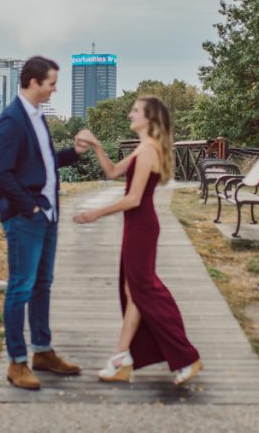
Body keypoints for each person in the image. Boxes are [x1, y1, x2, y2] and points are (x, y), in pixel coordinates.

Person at [73, 96, 202, 387]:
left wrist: (96, 213)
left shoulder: (148, 151)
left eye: (135, 111)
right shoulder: (144, 148)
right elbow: (112, 172)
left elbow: (132, 199)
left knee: (146, 291)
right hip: (137, 228)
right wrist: (96, 145)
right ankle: (121, 359)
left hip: (142, 227)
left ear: (149, 118)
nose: (130, 114)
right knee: (134, 292)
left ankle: (185, 355)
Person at [0, 55, 91, 391]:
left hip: (48, 214)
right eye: (51, 83)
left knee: (42, 284)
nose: (54, 89)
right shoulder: (12, 120)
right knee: (20, 287)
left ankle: (43, 352)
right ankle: (17, 363)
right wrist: (29, 209)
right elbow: (0, 174)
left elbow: (44, 163)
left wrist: (73, 152)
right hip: (26, 218)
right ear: (33, 83)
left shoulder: (37, 117)